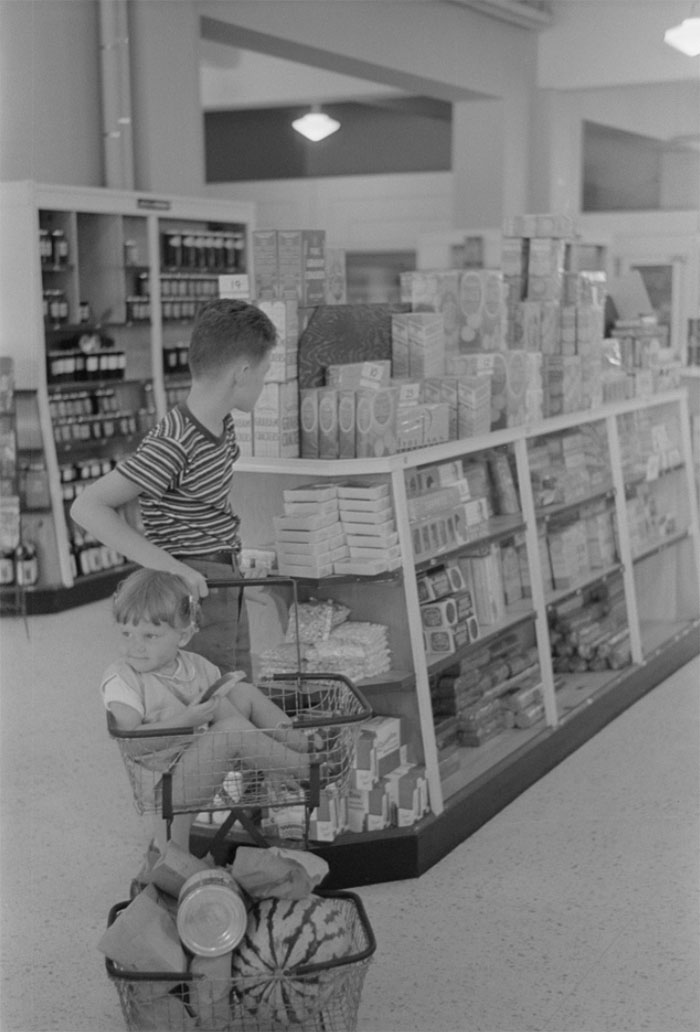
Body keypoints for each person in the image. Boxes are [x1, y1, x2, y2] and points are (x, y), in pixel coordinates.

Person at [71, 298, 277, 677]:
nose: (264, 385)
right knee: (208, 705)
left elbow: (204, 511)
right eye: (264, 374)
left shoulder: (223, 426)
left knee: (237, 689)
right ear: (242, 373)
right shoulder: (175, 439)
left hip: (221, 578)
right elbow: (87, 506)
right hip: (189, 590)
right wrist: (174, 569)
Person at [102, 568, 324, 850]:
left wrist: (269, 759)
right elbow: (132, 744)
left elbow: (230, 716)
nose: (135, 647)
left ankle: (299, 745)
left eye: (149, 636)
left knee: (241, 692)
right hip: (166, 782)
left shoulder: (196, 666)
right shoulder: (123, 681)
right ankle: (310, 770)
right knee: (231, 731)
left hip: (201, 758)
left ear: (182, 637)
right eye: (126, 633)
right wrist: (186, 719)